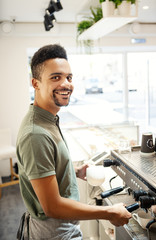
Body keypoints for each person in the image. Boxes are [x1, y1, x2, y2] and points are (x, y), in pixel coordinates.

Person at [16, 44, 131, 240]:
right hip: (53, 232)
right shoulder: (36, 134)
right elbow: (52, 207)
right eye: (55, 77)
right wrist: (109, 212)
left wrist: (72, 172)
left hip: (61, 227)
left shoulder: (48, 118)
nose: (66, 84)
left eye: (69, 77)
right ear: (35, 83)